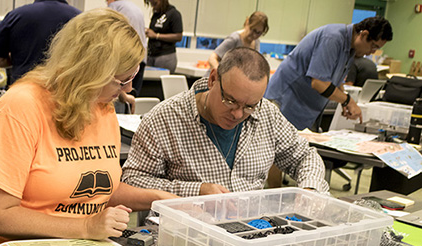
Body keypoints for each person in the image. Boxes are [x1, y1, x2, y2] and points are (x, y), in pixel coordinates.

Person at [0, 8, 176, 245]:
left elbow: (99, 190)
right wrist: (84, 226)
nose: (127, 89)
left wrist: (159, 198)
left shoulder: (101, 107)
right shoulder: (19, 108)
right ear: (90, 71)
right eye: (122, 79)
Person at [121, 47, 329, 196]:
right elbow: (132, 181)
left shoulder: (267, 114)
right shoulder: (164, 119)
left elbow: (304, 156)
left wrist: (310, 189)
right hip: (186, 233)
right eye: (230, 101)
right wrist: (195, 190)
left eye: (249, 106)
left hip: (248, 234)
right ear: (213, 79)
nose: (238, 114)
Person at [265, 16, 393, 130]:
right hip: (285, 103)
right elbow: (319, 83)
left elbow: (336, 81)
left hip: (304, 109)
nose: (372, 52)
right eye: (373, 46)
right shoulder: (332, 38)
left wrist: (343, 101)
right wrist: (348, 101)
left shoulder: (351, 49)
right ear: (364, 35)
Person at [0, 0, 81, 84]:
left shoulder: (16, 15)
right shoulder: (79, 18)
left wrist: (18, 61)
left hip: (23, 90)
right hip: (64, 92)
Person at [107, 0, 146, 97]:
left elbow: (106, 33)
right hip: (140, 57)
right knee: (132, 95)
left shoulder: (113, 7)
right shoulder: (135, 7)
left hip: (126, 58)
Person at [144, 0, 183, 74]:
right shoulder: (156, 14)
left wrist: (156, 36)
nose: (153, 6)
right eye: (151, 4)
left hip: (165, 56)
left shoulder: (174, 14)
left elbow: (178, 36)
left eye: (155, 3)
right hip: (152, 55)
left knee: (160, 84)